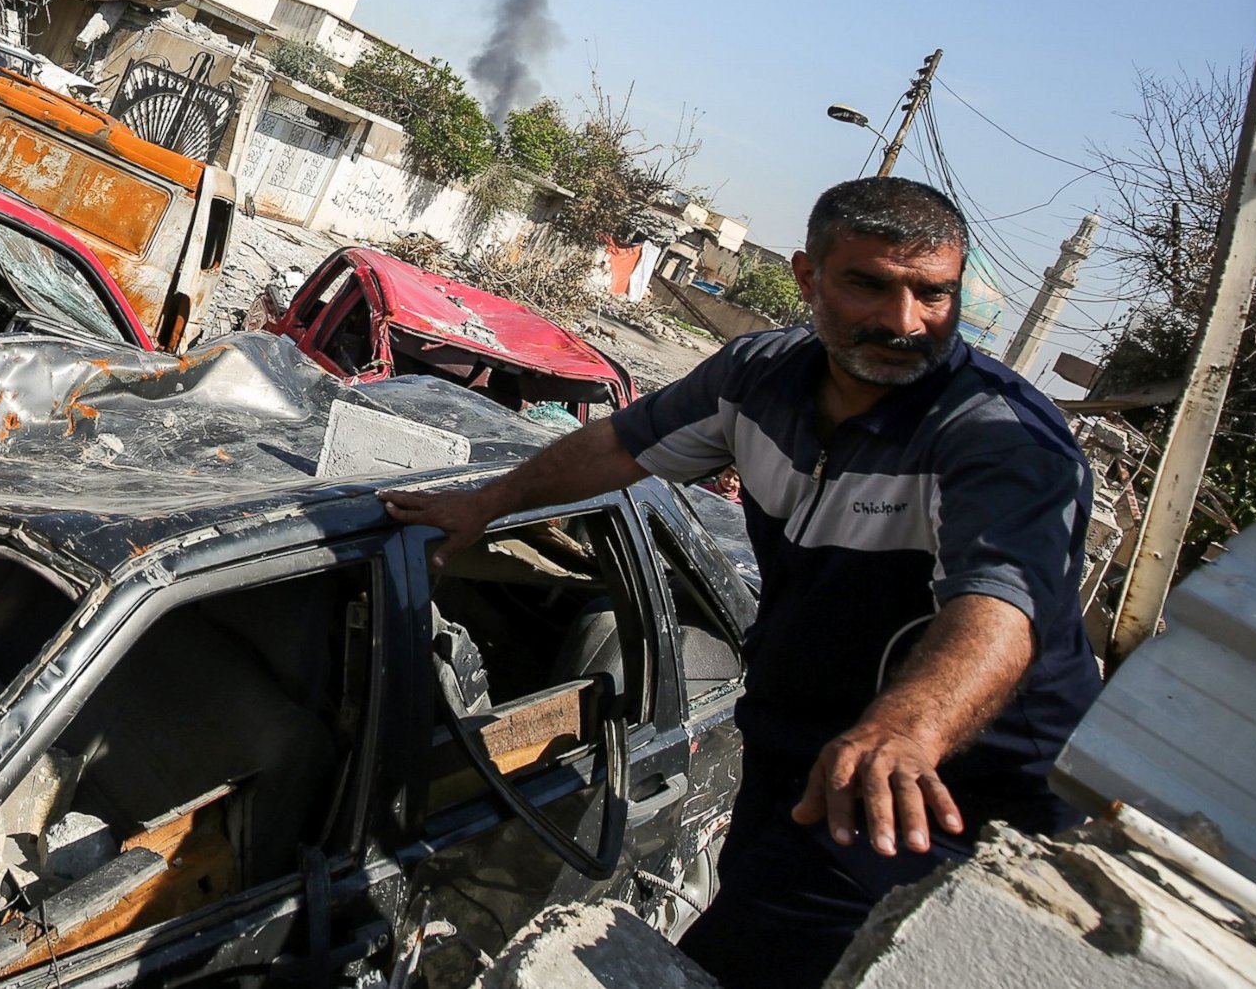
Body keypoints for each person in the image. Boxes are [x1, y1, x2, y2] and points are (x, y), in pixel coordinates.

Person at [380, 177, 1102, 989]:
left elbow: (1001, 609)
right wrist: (486, 504)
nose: (904, 323)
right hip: (798, 742)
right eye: (869, 285)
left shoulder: (1000, 438)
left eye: (932, 294)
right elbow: (618, 447)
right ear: (807, 275)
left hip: (939, 784)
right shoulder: (757, 378)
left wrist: (908, 730)